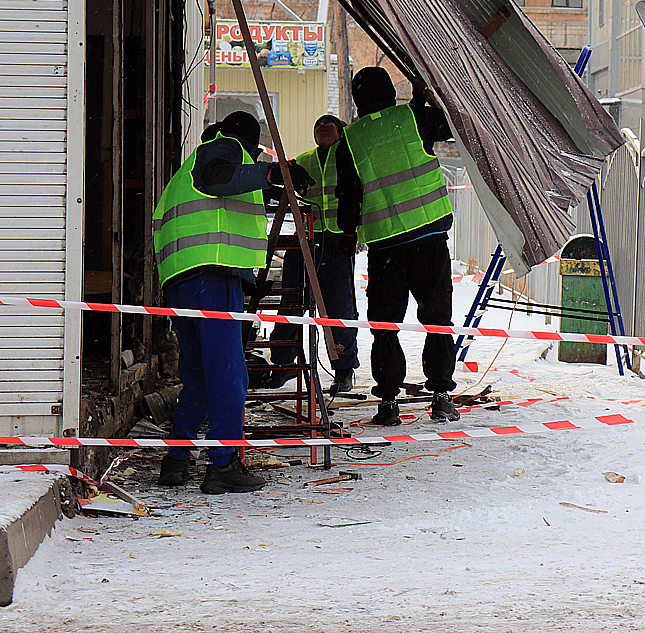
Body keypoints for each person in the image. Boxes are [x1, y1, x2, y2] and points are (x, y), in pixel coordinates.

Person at [152, 111, 313, 493]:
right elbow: (220, 178)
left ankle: (176, 460)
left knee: (200, 378)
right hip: (213, 274)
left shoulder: (193, 162)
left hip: (182, 280)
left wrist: (272, 184)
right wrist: (272, 173)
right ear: (248, 141)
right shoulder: (226, 149)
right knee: (228, 375)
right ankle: (223, 465)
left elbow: (225, 190)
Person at [335, 67, 459, 426]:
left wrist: (346, 233)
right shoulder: (413, 116)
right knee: (437, 320)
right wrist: (425, 94)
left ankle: (388, 403)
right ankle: (440, 397)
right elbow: (452, 123)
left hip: (385, 247)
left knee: (385, 325)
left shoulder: (351, 139)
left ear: (358, 100)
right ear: (391, 91)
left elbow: (348, 198)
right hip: (429, 239)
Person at [270, 114, 360, 394]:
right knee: (291, 301)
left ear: (341, 132)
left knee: (338, 309)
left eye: (328, 124)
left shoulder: (350, 156)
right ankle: (282, 363)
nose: (321, 127)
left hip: (336, 240)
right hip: (304, 241)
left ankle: (343, 369)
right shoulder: (305, 159)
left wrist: (351, 233)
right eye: (317, 125)